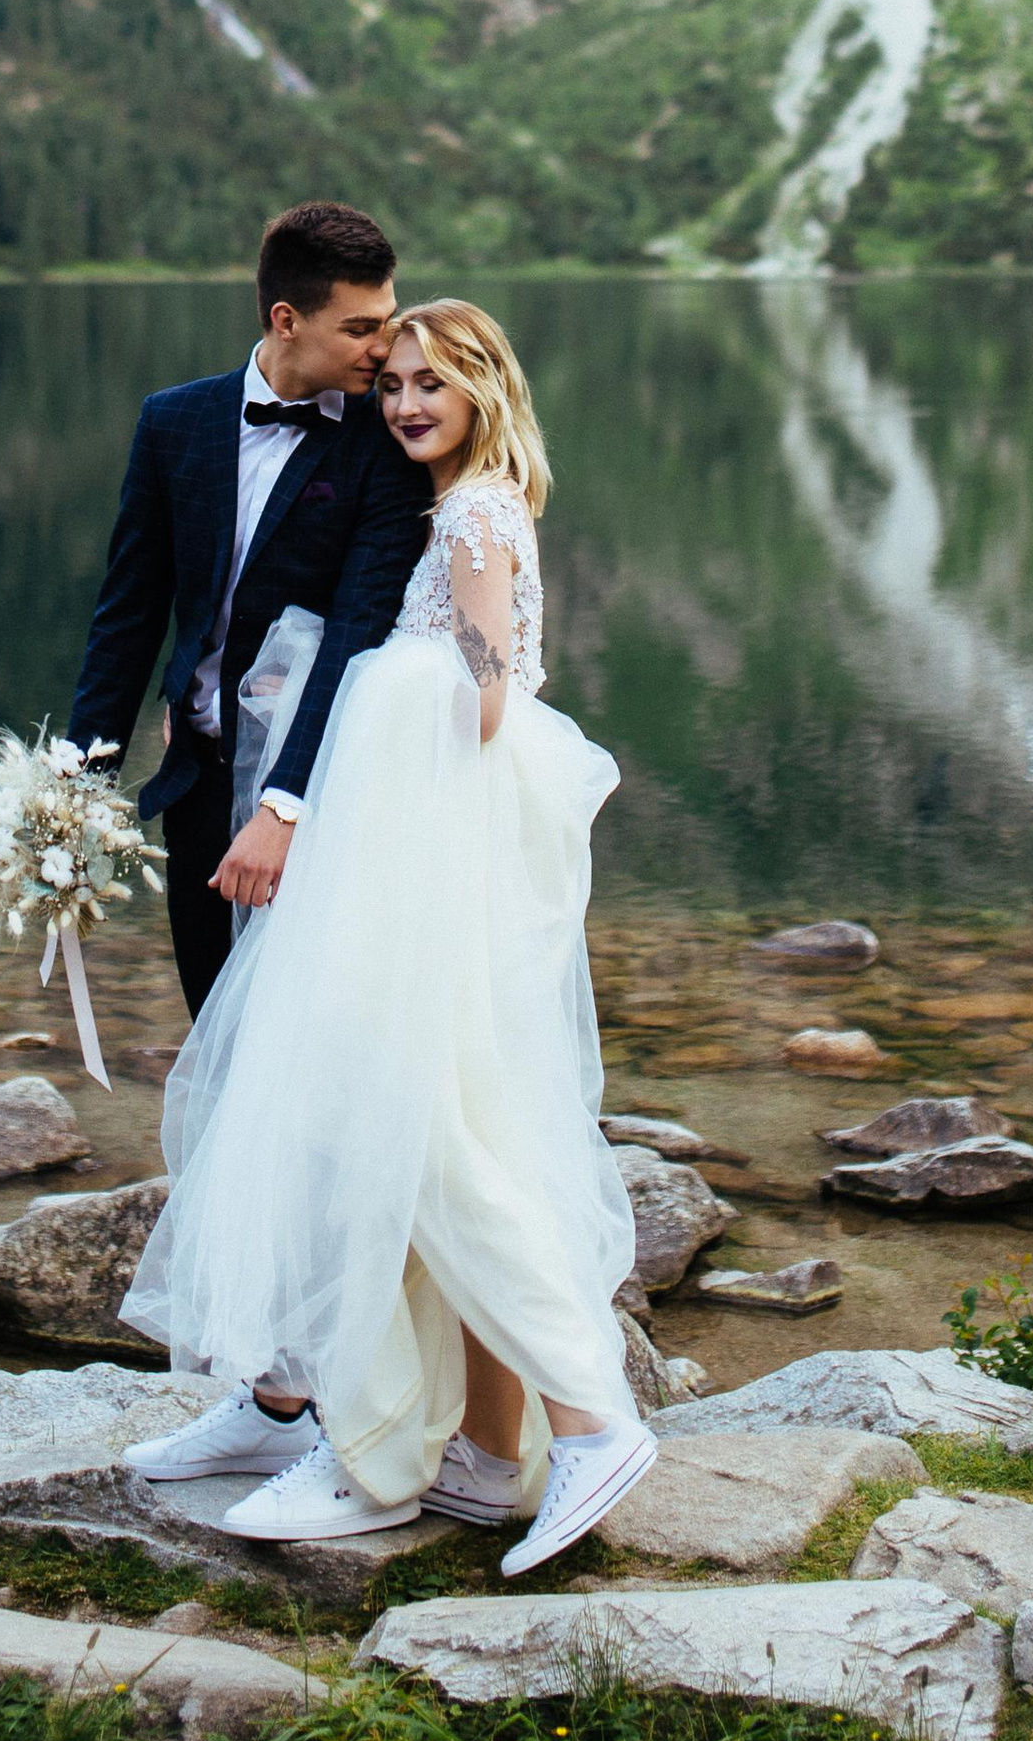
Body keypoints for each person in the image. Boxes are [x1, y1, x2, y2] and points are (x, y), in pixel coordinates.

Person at [118, 299, 657, 1579]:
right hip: (429, 852)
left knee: (412, 1129)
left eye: (433, 383)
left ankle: (582, 1419)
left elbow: (477, 697)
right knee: (433, 1126)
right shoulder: (468, 503)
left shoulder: (474, 516)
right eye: (395, 382)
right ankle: (466, 1443)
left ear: (484, 388)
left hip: (420, 858)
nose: (406, 402)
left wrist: (376, 707)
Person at [66, 199, 432, 1022]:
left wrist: (285, 807)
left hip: (325, 781)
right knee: (213, 1018)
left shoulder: (388, 442)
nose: (385, 348)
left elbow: (354, 635)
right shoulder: (173, 422)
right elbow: (129, 614)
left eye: (388, 320)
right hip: (196, 774)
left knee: (309, 1031)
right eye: (361, 327)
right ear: (286, 319)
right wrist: (76, 789)